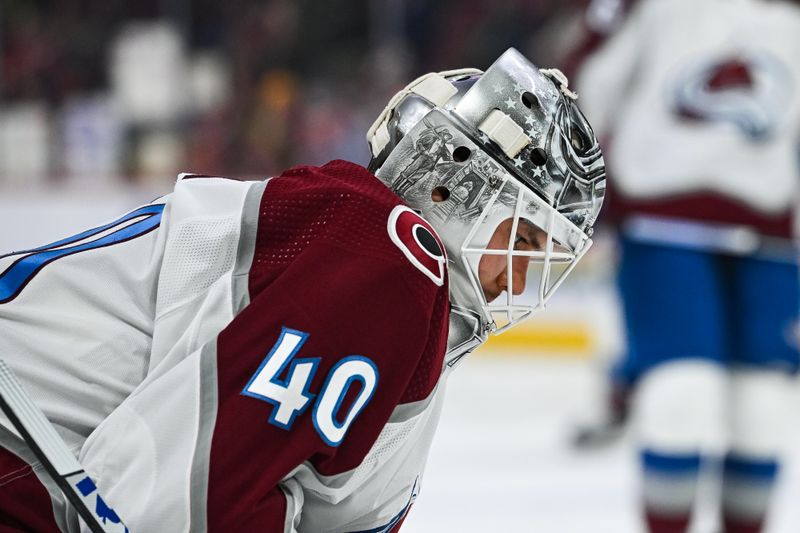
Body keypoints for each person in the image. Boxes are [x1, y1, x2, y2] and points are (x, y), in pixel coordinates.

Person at [0, 48, 605, 532]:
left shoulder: (407, 316)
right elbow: (167, 507)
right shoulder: (384, 255)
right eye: (523, 238)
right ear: (454, 183)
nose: (519, 280)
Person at [574, 1, 800, 532]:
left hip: (773, 229)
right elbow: (590, 81)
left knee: (762, 412)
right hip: (663, 219)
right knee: (681, 395)